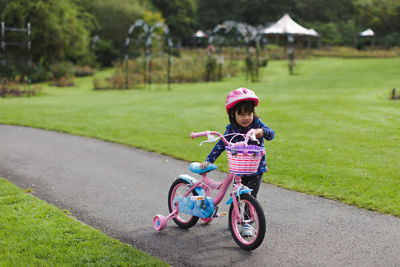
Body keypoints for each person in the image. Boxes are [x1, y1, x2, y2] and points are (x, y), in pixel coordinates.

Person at [200, 87, 275, 236]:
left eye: (249, 113)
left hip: (255, 169)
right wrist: (209, 160)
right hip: (238, 169)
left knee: (250, 196)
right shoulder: (231, 129)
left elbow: (271, 134)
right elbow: (221, 145)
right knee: (236, 194)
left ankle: (247, 224)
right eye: (241, 114)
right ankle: (234, 218)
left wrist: (261, 132)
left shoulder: (257, 124)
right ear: (233, 115)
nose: (246, 117)